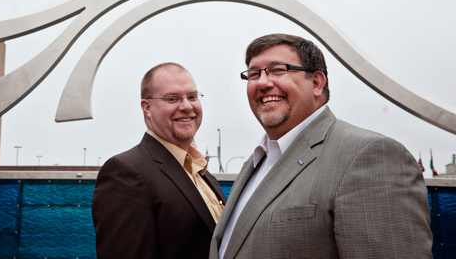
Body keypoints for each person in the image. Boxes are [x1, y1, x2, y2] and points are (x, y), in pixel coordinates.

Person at [211, 34, 432, 259]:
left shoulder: (369, 155)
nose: (263, 82)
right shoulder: (256, 162)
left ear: (317, 83)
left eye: (278, 70)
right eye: (254, 74)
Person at [92, 62, 226, 259]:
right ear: (147, 107)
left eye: (192, 97)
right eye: (172, 99)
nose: (187, 106)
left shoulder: (201, 172)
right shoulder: (125, 172)